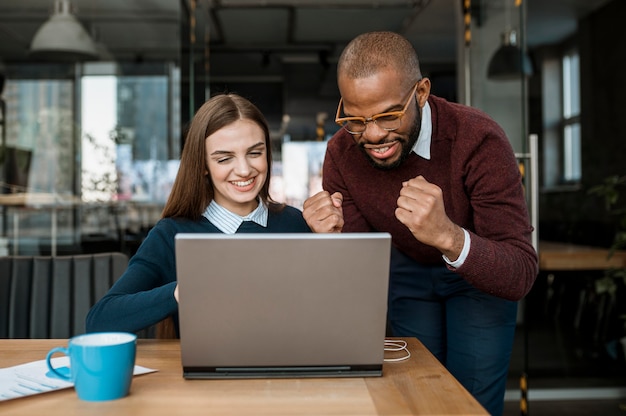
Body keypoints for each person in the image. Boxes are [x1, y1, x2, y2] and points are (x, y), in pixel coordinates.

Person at [302, 31, 538, 416]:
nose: (373, 134)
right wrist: (332, 241)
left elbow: (520, 274)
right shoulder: (342, 152)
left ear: (422, 92)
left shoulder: (479, 140)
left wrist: (447, 236)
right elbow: (362, 274)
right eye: (356, 119)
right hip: (405, 273)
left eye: (388, 114)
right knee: (414, 398)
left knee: (469, 404)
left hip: (479, 278)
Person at [86, 93, 310, 336]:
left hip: (287, 370)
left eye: (255, 153)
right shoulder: (171, 234)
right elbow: (100, 320)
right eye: (224, 158)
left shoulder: (295, 223)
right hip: (207, 373)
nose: (244, 170)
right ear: (203, 165)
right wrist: (181, 291)